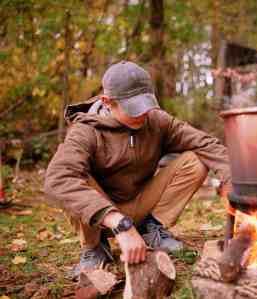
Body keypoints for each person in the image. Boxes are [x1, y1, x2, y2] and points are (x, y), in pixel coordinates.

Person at [44, 61, 231, 275]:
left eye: (145, 104)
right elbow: (56, 180)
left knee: (195, 160)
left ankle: (151, 228)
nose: (142, 114)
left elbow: (205, 143)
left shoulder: (157, 121)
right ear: (107, 101)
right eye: (133, 108)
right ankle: (94, 247)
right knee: (74, 176)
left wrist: (232, 179)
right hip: (100, 213)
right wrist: (118, 222)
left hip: (140, 202)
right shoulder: (85, 131)